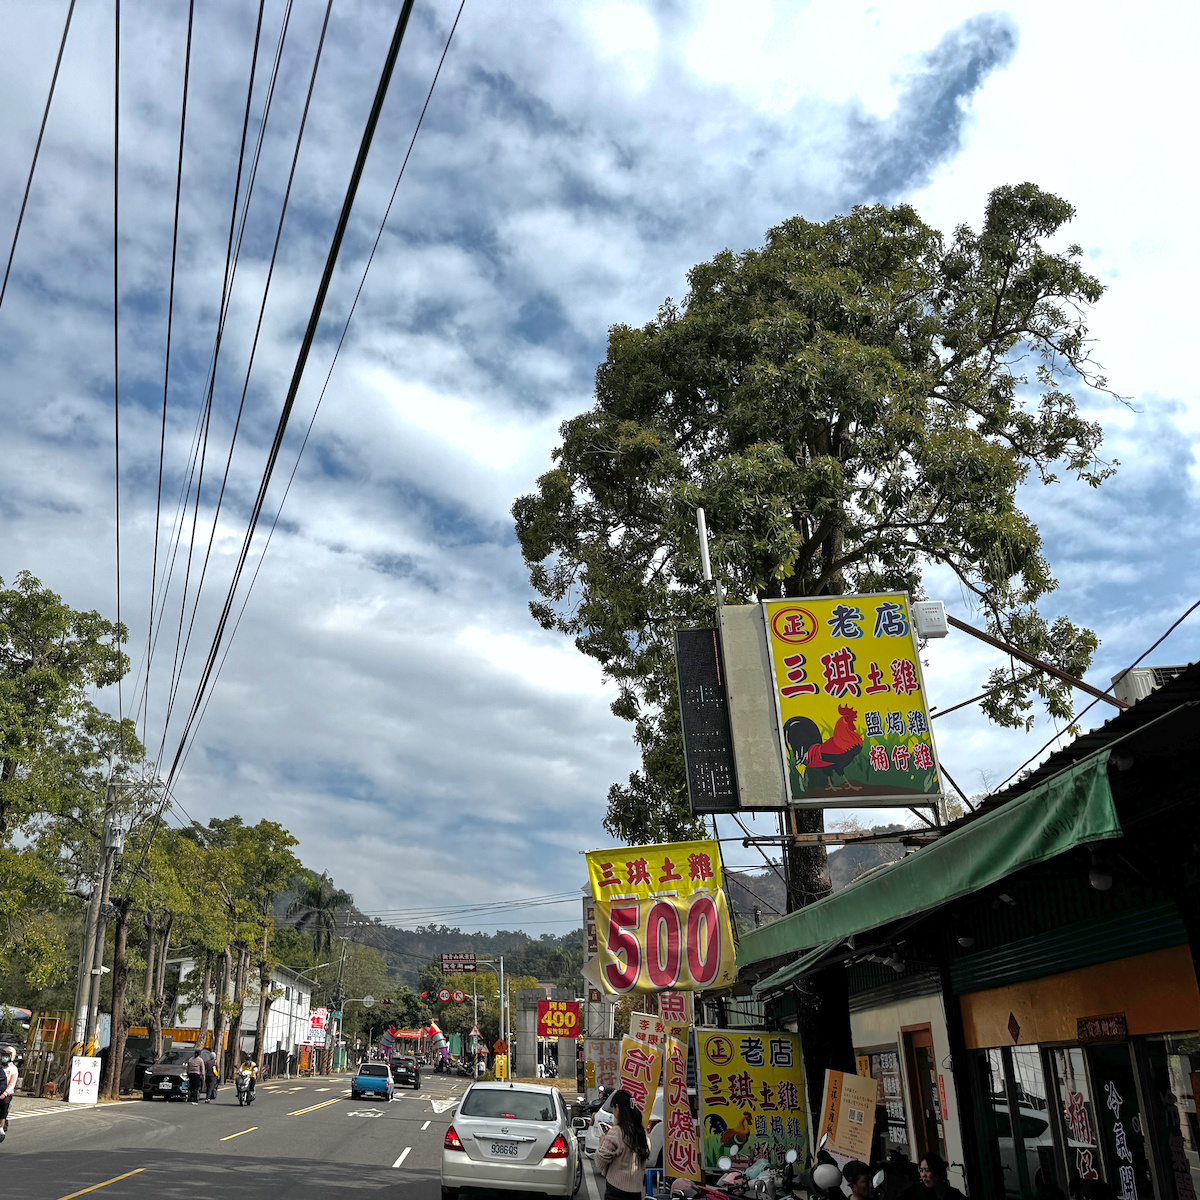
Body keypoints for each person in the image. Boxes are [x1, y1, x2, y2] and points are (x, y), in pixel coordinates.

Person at [595, 1088, 650, 1200]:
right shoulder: (642, 1132)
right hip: (636, 1190)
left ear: (617, 1108)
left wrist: (601, 1144)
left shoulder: (617, 1132)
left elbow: (600, 1162)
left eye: (613, 1108)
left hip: (616, 1190)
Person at [0, 1047, 18, 1141]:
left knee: (4, 1106)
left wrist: (4, 1094)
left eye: (7, 1056)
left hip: (6, 1094)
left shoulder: (13, 1069)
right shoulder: (0, 1067)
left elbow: (11, 1085)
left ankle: (1, 1127)